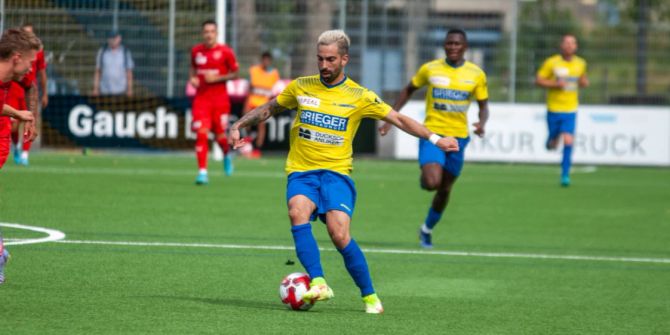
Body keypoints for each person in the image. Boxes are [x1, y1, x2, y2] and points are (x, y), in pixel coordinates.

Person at [230, 30, 459, 314]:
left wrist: (436, 140)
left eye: (330, 59)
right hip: (302, 171)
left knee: (339, 235)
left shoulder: (359, 95)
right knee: (296, 211)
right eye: (320, 59)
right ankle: (319, 282)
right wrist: (238, 124)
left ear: (344, 59)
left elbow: (397, 118)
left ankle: (370, 296)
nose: (324, 65)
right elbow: (270, 108)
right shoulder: (301, 87)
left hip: (337, 175)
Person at [379, 29, 490, 249]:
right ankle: (426, 175)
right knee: (432, 183)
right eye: (449, 43)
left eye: (458, 44)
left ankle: (426, 229)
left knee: (445, 189)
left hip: (459, 138)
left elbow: (484, 106)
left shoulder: (476, 74)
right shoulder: (430, 69)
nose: (453, 47)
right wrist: (390, 117)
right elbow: (408, 89)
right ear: (445, 46)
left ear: (465, 46)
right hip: (432, 133)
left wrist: (481, 123)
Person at [0, 28, 41, 284]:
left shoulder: (12, 78)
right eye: (30, 62)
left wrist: (25, 114)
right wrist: (17, 112)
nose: (31, 68)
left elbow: (32, 88)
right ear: (17, 57)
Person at [535, 34, 588, 187]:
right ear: (561, 45)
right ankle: (552, 138)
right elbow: (538, 80)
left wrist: (584, 82)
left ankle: (565, 175)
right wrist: (555, 84)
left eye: (573, 43)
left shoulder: (581, 64)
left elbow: (583, 80)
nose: (570, 45)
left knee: (568, 139)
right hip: (553, 108)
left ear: (576, 46)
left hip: (570, 109)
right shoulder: (552, 62)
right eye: (567, 43)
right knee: (552, 144)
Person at [190, 19, 239, 184]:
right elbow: (193, 69)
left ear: (216, 33)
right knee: (201, 133)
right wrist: (192, 79)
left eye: (212, 31)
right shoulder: (196, 51)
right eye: (206, 31)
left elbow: (235, 73)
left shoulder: (225, 52)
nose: (209, 34)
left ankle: (226, 154)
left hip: (220, 101)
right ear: (202, 34)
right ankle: (202, 172)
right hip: (201, 100)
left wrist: (217, 78)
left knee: (220, 136)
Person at [10, 23, 46, 166]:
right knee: (13, 125)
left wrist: (45, 93)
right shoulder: (14, 51)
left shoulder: (38, 52)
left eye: (30, 33)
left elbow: (42, 73)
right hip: (14, 90)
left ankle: (25, 154)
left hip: (30, 90)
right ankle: (17, 146)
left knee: (30, 121)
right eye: (25, 33)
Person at [242, 51, 280, 158]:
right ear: (262, 60)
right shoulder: (254, 70)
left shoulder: (274, 74)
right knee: (246, 122)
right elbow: (249, 89)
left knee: (261, 125)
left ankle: (257, 150)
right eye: (264, 59)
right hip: (252, 102)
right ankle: (247, 145)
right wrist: (246, 105)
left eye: (268, 60)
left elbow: (274, 92)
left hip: (263, 104)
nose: (266, 62)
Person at [93, 30, 134, 97]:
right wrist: (96, 89)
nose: (112, 40)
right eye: (110, 38)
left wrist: (129, 89)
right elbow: (98, 72)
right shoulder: (102, 52)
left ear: (119, 38)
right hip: (105, 92)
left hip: (121, 92)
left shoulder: (125, 53)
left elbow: (129, 73)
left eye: (114, 38)